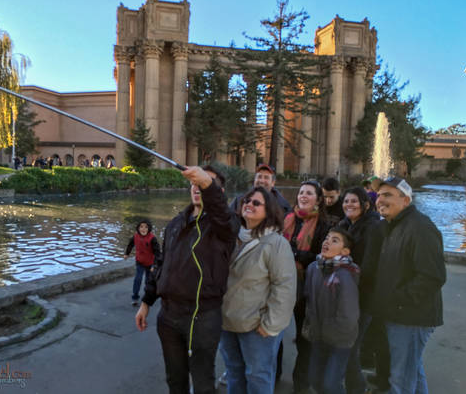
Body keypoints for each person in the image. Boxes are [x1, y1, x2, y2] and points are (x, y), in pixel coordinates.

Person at [135, 165, 240, 394]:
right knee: (175, 380)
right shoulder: (175, 223)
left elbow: (224, 215)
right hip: (169, 316)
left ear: (217, 193)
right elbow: (161, 265)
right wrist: (146, 302)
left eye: (203, 184)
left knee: (202, 383)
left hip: (202, 318)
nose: (197, 188)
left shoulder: (224, 226)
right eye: (195, 184)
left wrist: (208, 184)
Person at [370, 176, 446, 394]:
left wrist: (398, 301)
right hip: (401, 315)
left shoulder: (420, 227)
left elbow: (433, 277)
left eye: (388, 195)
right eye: (379, 195)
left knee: (401, 380)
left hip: (410, 318)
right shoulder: (394, 226)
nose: (380, 200)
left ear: (406, 200)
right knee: (412, 372)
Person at [220, 187, 296, 394]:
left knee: (258, 376)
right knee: (234, 372)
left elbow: (285, 287)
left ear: (269, 211)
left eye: (256, 203)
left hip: (257, 327)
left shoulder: (276, 243)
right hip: (227, 322)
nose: (249, 205)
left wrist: (270, 325)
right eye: (247, 200)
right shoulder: (233, 237)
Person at [338, 187, 387, 394]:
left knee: (349, 346)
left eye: (354, 201)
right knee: (348, 346)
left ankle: (357, 387)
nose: (349, 204)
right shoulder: (346, 225)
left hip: (362, 297)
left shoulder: (372, 227)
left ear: (365, 205)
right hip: (347, 294)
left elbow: (368, 267)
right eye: (346, 201)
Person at [283, 180, 330, 394]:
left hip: (307, 289)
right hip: (283, 283)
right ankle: (272, 375)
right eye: (301, 192)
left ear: (318, 199)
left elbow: (322, 258)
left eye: (309, 193)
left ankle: (301, 385)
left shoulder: (324, 225)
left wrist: (295, 254)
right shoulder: (288, 219)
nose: (303, 196)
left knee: (305, 339)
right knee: (273, 334)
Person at [304, 227, 360, 394]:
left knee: (331, 384)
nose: (327, 242)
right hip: (318, 335)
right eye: (327, 238)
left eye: (334, 240)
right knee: (314, 378)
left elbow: (348, 315)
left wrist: (334, 333)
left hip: (339, 340)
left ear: (345, 251)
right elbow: (309, 298)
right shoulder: (314, 268)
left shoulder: (345, 275)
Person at [124, 219, 161, 306]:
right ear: (138, 228)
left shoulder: (152, 239)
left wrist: (154, 265)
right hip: (140, 262)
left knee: (148, 281)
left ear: (149, 228)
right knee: (138, 279)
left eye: (146, 227)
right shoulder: (135, 236)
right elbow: (130, 244)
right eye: (141, 227)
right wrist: (127, 253)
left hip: (150, 263)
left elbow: (157, 252)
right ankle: (135, 297)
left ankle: (147, 298)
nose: (143, 229)